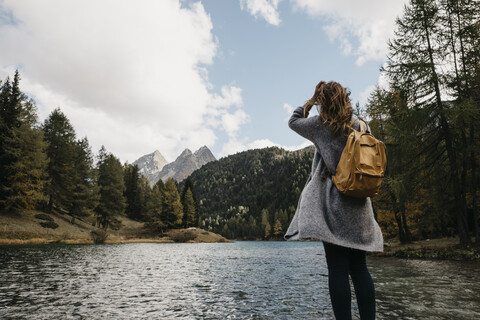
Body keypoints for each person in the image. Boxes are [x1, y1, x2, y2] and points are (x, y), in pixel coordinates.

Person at [284, 81, 384, 320]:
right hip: (359, 206)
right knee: (360, 269)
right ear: (345, 99)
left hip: (333, 205)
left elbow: (293, 121)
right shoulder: (361, 125)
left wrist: (309, 102)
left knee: (337, 269)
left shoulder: (321, 125)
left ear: (323, 103)